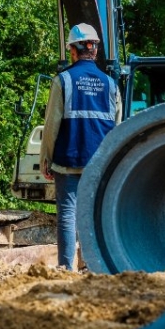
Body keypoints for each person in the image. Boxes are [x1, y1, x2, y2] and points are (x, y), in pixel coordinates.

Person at [39, 23, 122, 270]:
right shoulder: (111, 84)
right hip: (99, 163)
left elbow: (52, 125)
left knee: (67, 215)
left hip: (68, 159)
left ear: (73, 51)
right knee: (94, 217)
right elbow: (117, 128)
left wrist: (46, 158)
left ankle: (67, 269)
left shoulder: (63, 80)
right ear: (94, 50)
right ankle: (95, 267)